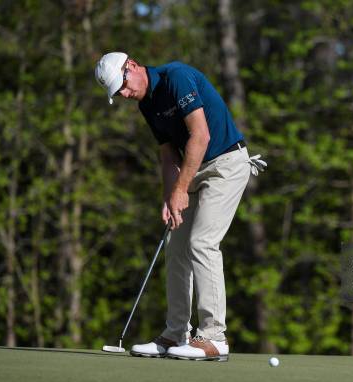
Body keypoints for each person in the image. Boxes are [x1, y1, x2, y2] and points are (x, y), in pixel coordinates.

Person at [94, 52, 266, 362]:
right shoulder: (146, 103)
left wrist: (181, 189)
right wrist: (169, 197)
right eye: (118, 93)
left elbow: (200, 136)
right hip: (193, 168)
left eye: (123, 86)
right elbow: (168, 154)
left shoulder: (177, 77)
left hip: (226, 163)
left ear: (131, 66)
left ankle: (214, 337)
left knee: (202, 242)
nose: (124, 94)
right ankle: (176, 333)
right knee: (175, 245)